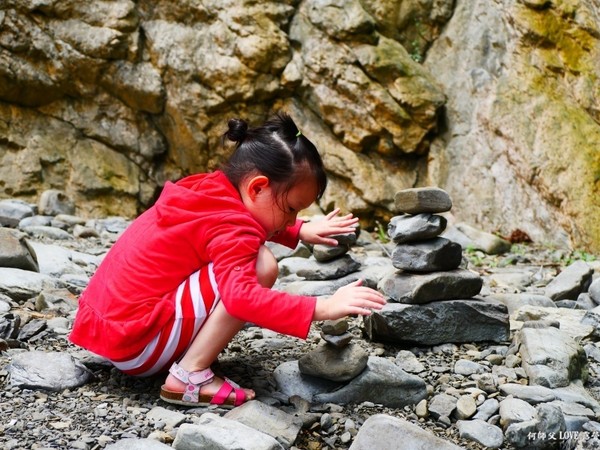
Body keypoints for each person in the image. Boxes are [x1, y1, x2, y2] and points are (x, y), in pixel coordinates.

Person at [69, 111, 386, 408]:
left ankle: (183, 356)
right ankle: (189, 375)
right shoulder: (234, 226)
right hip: (139, 347)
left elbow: (232, 223)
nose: (291, 219)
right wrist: (323, 307)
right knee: (262, 266)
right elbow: (242, 298)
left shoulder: (207, 188)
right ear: (258, 186)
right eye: (291, 208)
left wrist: (298, 231)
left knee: (247, 258)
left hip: (111, 331)